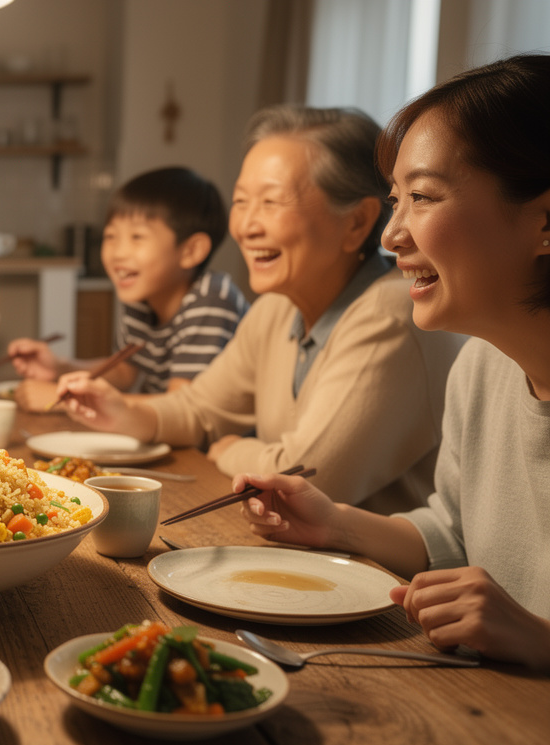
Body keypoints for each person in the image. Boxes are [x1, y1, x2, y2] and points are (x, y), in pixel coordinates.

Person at [238, 55, 550, 670]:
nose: (391, 235)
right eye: (395, 200)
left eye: (423, 197)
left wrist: (544, 640)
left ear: (545, 223)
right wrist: (336, 525)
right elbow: (451, 532)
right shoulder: (482, 368)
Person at [58, 106, 466, 513]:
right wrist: (121, 410)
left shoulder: (389, 314)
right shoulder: (276, 307)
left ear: (357, 223)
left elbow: (304, 477)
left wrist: (232, 450)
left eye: (271, 202)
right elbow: (200, 410)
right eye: (241, 201)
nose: (247, 226)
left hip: (366, 555)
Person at [10, 167, 247, 406]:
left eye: (137, 237)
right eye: (111, 236)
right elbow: (124, 371)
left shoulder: (212, 301)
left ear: (191, 251)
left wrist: (67, 399)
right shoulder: (144, 297)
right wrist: (59, 367)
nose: (118, 253)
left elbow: (184, 408)